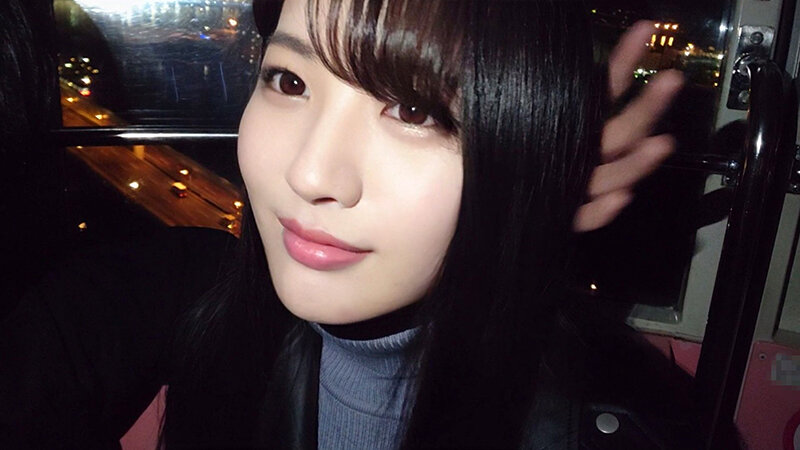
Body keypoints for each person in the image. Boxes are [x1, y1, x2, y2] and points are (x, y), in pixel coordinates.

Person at [1, 0, 725, 448]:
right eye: (289, 81)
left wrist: (525, 204)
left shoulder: (624, 430)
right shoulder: (194, 296)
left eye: (413, 110)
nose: (311, 174)